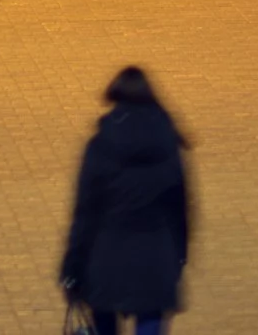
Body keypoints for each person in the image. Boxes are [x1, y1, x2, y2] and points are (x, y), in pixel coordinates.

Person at [60, 66, 192, 335]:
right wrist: (178, 258)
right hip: (156, 260)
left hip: (105, 260)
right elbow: (180, 210)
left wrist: (72, 264)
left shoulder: (100, 145)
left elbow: (85, 213)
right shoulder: (168, 143)